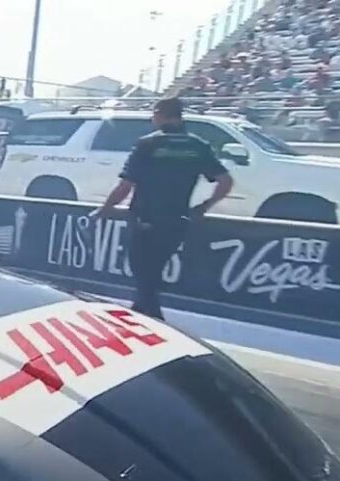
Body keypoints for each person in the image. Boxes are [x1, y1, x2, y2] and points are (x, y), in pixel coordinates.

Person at [91, 98, 234, 321]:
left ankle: (155, 322)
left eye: (153, 114)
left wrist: (105, 209)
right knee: (150, 276)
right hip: (177, 221)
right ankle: (141, 315)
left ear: (160, 114)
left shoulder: (148, 144)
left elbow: (125, 185)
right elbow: (225, 181)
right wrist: (204, 207)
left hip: (145, 220)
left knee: (142, 274)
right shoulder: (198, 146)